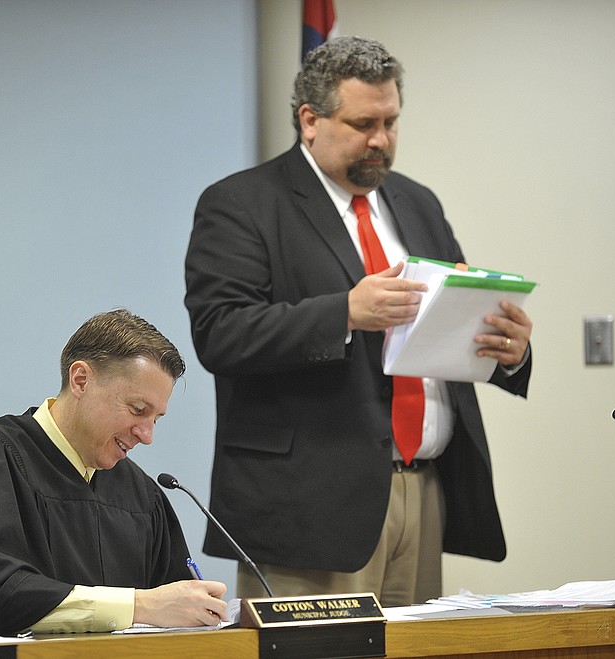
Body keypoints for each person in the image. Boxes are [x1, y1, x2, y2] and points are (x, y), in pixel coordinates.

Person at [184, 36, 533, 606]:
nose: (382, 140)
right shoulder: (242, 203)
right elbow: (220, 333)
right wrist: (345, 311)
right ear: (310, 120)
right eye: (364, 123)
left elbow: (448, 319)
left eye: (392, 122)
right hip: (309, 506)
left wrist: (507, 348)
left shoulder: (417, 202)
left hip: (423, 492)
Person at [0, 309, 228, 637]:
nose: (147, 435)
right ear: (81, 379)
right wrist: (138, 605)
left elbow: (175, 615)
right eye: (138, 410)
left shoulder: (141, 496)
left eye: (155, 419)